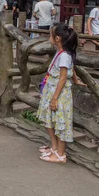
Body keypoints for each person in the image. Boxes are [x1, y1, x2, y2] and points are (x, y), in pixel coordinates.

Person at [37, 23, 84, 164]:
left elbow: (63, 77)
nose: (49, 37)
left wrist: (55, 98)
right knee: (50, 119)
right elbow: (71, 69)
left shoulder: (64, 55)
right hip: (51, 88)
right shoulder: (62, 52)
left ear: (57, 38)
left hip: (59, 92)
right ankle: (55, 147)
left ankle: (61, 154)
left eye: (50, 35)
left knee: (61, 121)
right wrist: (75, 78)